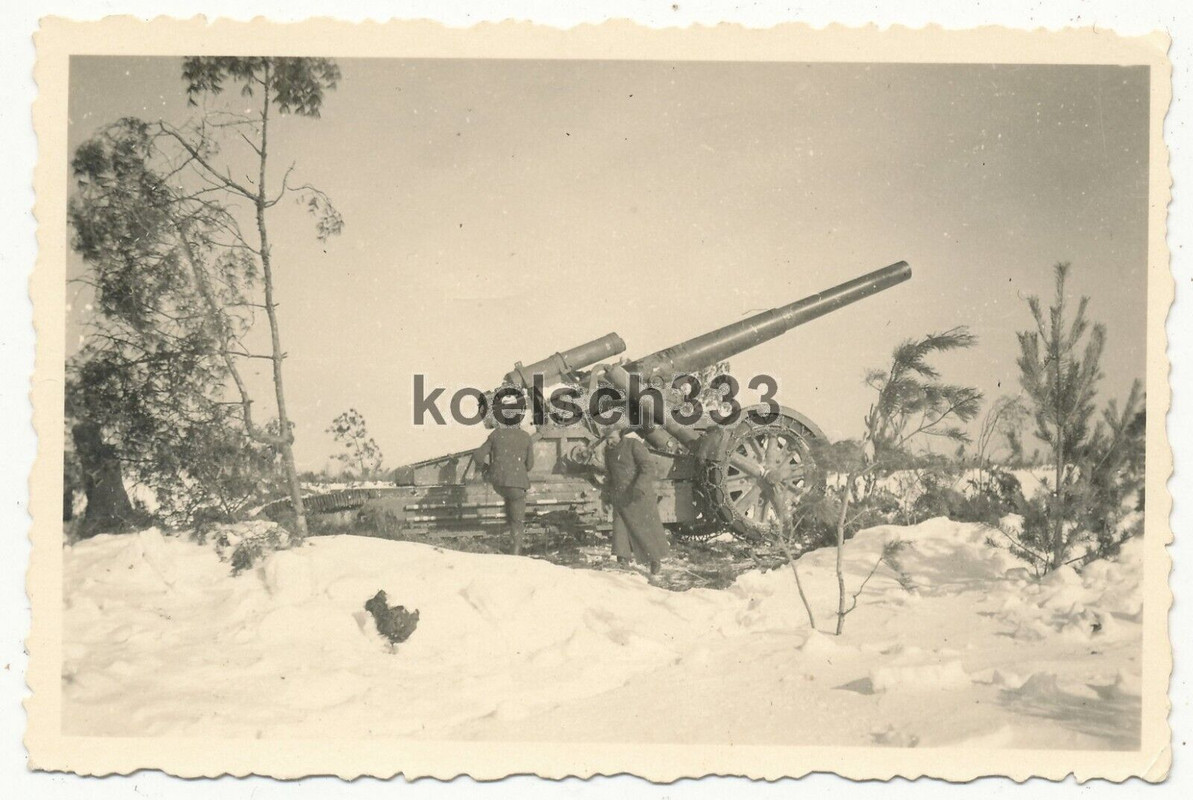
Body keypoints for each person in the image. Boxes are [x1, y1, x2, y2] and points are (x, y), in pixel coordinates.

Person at [605, 426, 669, 575]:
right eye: (607, 439)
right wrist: (606, 495)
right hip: (620, 496)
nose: (609, 442)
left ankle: (654, 560)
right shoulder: (608, 451)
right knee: (620, 529)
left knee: (645, 530)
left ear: (620, 435)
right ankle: (622, 561)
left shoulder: (633, 445)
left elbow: (647, 467)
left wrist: (639, 487)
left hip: (638, 495)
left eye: (612, 438)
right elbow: (609, 474)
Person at [474, 419, 535, 555]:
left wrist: (486, 469)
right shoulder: (525, 436)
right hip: (516, 484)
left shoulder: (496, 434)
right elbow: (530, 465)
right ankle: (515, 553)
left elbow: (478, 455)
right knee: (517, 520)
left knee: (509, 502)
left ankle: (509, 543)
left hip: (498, 482)